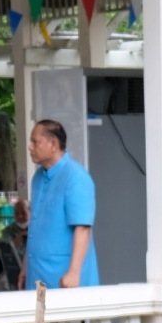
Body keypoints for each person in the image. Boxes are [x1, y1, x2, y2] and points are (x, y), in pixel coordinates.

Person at [19, 119, 98, 290]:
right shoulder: (38, 178)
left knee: (64, 310)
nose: (30, 147)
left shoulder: (76, 177)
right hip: (38, 276)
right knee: (39, 308)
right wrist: (26, 265)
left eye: (35, 142)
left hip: (65, 279)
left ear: (53, 144)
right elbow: (36, 228)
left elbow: (83, 227)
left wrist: (74, 272)